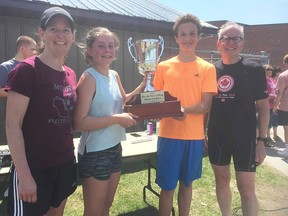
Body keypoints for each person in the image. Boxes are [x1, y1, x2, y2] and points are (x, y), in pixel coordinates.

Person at [5, 6, 77, 215]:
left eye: (66, 30)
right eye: (54, 28)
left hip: (64, 163)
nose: (60, 35)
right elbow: (12, 126)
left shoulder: (70, 74)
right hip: (34, 167)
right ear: (42, 33)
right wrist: (25, 176)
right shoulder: (27, 70)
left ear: (73, 36)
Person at [72, 27, 147, 216]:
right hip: (95, 152)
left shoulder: (114, 75)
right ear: (89, 50)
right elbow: (79, 123)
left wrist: (145, 82)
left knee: (107, 204)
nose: (107, 50)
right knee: (93, 211)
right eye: (101, 46)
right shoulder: (89, 78)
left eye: (111, 46)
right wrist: (116, 119)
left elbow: (124, 100)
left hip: (115, 148)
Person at [153, 14, 217, 216]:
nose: (187, 38)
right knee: (167, 187)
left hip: (193, 137)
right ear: (176, 38)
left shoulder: (208, 68)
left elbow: (206, 105)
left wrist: (184, 111)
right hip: (168, 136)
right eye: (183, 34)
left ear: (198, 36)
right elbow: (157, 101)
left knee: (187, 185)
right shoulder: (163, 67)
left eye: (192, 34)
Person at [207, 22, 269, 216]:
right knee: (222, 181)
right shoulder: (211, 70)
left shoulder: (254, 69)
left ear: (242, 43)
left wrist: (261, 141)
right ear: (218, 44)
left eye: (236, 38)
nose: (230, 42)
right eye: (225, 38)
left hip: (245, 138)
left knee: (247, 189)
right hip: (217, 136)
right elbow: (206, 105)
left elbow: (264, 107)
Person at [273, 54, 288, 158]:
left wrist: (275, 106)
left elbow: (279, 93)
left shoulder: (283, 76)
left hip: (285, 106)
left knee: (286, 128)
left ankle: (287, 150)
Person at [263, 64, 278, 145]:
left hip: (272, 105)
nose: (270, 71)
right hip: (265, 105)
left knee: (269, 122)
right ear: (263, 70)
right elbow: (263, 94)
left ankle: (268, 137)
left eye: (271, 69)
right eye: (268, 69)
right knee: (265, 122)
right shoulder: (262, 80)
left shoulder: (271, 80)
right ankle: (265, 138)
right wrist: (272, 97)